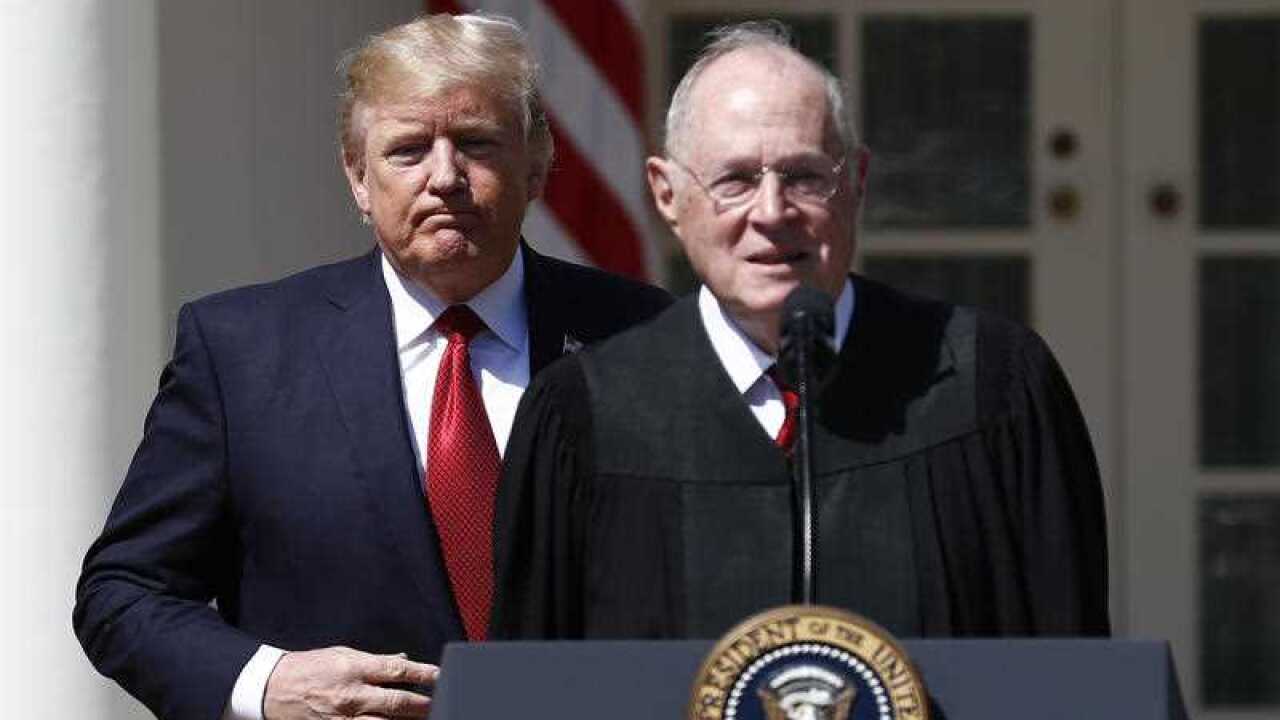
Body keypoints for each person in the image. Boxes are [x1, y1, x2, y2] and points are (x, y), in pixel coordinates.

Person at [74, 13, 670, 720]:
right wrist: (269, 682)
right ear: (357, 177)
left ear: (537, 165)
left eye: (476, 144)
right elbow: (123, 592)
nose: (445, 177)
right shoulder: (243, 352)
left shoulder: (642, 337)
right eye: (408, 150)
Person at [490, 22, 1109, 641]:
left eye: (805, 177)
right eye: (733, 181)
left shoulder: (991, 386)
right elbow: (536, 686)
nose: (771, 213)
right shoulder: (584, 415)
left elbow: (1073, 675)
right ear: (668, 194)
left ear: (858, 183)